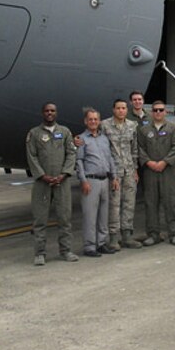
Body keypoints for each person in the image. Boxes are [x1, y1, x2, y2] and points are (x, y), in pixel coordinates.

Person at [25, 102, 79, 266]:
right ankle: (40, 253)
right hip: (43, 182)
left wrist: (64, 174)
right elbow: (31, 156)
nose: (50, 113)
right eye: (47, 111)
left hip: (62, 181)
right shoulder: (34, 134)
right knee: (40, 218)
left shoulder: (64, 132)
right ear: (43, 113)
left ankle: (66, 251)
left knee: (64, 217)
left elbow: (71, 153)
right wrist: (42, 176)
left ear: (56, 113)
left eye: (53, 111)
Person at [137, 101, 175, 246]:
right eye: (155, 110)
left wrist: (165, 162)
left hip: (168, 170)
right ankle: (153, 234)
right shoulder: (144, 130)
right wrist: (149, 163)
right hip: (150, 170)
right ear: (151, 112)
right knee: (151, 202)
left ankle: (173, 233)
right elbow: (139, 148)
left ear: (165, 112)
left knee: (171, 202)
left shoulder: (173, 128)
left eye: (161, 110)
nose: (158, 113)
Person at [101, 98, 142, 250]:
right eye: (118, 108)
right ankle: (113, 237)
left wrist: (135, 169)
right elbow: (102, 149)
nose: (121, 111)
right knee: (114, 205)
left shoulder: (132, 125)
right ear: (113, 110)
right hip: (114, 173)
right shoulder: (105, 125)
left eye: (124, 108)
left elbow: (134, 149)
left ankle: (127, 236)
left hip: (129, 170)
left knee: (129, 203)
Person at [76, 108, 117, 257]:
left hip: (105, 180)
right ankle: (89, 247)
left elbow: (110, 158)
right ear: (86, 121)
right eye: (90, 119)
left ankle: (101, 243)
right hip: (91, 181)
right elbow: (79, 161)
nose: (93, 122)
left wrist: (114, 177)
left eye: (95, 119)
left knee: (103, 215)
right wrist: (83, 180)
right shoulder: (81, 139)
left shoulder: (104, 139)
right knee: (90, 216)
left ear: (99, 121)